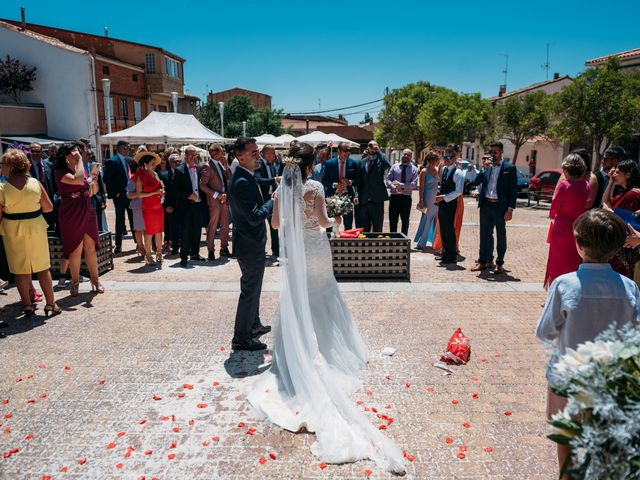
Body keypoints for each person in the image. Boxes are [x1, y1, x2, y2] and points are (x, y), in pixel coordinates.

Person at [247, 142, 405, 473]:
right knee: (324, 295)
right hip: (316, 252)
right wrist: (332, 212)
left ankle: (300, 349)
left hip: (294, 257)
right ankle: (332, 352)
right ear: (309, 165)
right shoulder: (315, 187)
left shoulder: (280, 189)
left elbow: (275, 226)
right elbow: (324, 222)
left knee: (301, 299)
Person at [536, 209, 640, 478]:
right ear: (617, 248)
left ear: (578, 244)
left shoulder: (563, 285)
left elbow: (545, 332)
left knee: (566, 436)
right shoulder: (630, 288)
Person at [0, 149, 59, 317]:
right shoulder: (34, 183)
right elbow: (48, 207)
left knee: (20, 270)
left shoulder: (1, 187)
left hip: (13, 229)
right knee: (42, 268)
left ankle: (27, 305)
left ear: (10, 167)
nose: (1, 167)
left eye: (2, 164)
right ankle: (51, 304)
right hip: (36, 227)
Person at [228, 137, 273, 351]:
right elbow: (255, 216)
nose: (259, 157)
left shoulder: (246, 175)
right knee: (249, 290)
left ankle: (253, 325)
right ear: (240, 156)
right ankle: (241, 338)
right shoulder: (241, 181)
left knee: (254, 288)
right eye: (254, 153)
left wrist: (276, 180)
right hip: (248, 244)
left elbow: (259, 183)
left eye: (258, 152)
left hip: (251, 242)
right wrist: (275, 200)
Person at [54, 143, 103, 296]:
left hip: (87, 209)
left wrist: (94, 182)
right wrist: (81, 160)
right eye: (74, 151)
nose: (78, 153)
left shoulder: (81, 170)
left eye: (78, 151)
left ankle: (95, 280)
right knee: (75, 248)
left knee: (90, 246)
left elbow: (93, 191)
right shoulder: (60, 171)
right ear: (66, 155)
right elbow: (77, 180)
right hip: (70, 211)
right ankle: (75, 282)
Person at [470, 142, 518, 273]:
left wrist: (510, 209)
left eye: (496, 151)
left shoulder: (510, 168)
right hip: (486, 204)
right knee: (484, 235)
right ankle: (482, 262)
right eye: (491, 152)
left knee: (500, 235)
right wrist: (484, 169)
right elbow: (476, 182)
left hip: (500, 207)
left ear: (501, 152)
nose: (493, 154)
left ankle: (499, 263)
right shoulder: (487, 167)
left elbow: (513, 191)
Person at [543, 154, 590, 288]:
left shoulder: (564, 185)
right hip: (578, 226)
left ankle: (556, 287)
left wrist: (553, 215)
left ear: (567, 170)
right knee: (573, 257)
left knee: (557, 258)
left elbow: (554, 208)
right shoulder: (585, 185)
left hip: (563, 224)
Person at [603, 159, 640, 278]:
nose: (613, 174)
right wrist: (610, 183)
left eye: (618, 172)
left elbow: (617, 216)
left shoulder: (633, 195)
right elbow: (605, 202)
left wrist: (609, 212)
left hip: (626, 248)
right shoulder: (624, 193)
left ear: (628, 174)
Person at [172, 146, 207, 267]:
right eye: (191, 154)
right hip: (185, 206)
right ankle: (184, 257)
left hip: (198, 205)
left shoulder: (200, 168)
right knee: (185, 232)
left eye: (195, 154)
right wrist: (187, 195)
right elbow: (174, 190)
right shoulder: (179, 170)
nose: (193, 157)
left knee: (197, 230)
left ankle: (195, 253)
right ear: (185, 155)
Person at [199, 144, 231, 260]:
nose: (224, 153)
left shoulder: (221, 164)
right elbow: (202, 185)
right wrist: (217, 195)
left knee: (225, 225)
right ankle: (211, 250)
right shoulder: (207, 166)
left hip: (224, 199)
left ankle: (224, 248)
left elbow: (229, 177)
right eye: (223, 151)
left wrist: (226, 165)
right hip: (214, 201)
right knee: (212, 226)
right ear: (217, 154)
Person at [133, 152, 165, 266]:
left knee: (159, 231)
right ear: (145, 164)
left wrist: (161, 191)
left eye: (154, 163)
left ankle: (159, 253)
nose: (154, 165)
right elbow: (139, 194)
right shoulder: (140, 177)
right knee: (149, 232)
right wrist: (154, 192)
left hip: (158, 205)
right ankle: (148, 255)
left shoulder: (156, 174)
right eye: (152, 163)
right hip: (148, 207)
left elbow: (160, 187)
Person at [435, 150, 465, 264]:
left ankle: (452, 255)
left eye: (449, 157)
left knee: (449, 229)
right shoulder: (444, 169)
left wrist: (443, 197)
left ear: (454, 159)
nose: (447, 159)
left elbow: (459, 191)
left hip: (451, 203)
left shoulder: (458, 172)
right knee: (442, 228)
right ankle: (445, 253)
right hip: (442, 202)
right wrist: (439, 197)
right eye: (445, 157)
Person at [103, 140, 134, 254]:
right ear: (119, 148)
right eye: (126, 148)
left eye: (129, 148)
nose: (128, 150)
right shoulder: (113, 161)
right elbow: (106, 179)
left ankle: (137, 242)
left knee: (133, 218)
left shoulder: (129, 160)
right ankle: (118, 245)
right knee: (120, 220)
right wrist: (116, 193)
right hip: (120, 196)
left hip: (130, 195)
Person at [322, 142, 359, 230]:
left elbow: (357, 181)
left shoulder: (353, 164)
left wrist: (349, 182)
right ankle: (331, 242)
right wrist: (335, 185)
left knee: (348, 224)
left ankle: (347, 242)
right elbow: (324, 180)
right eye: (345, 150)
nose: (348, 153)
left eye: (349, 150)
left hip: (347, 197)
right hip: (332, 197)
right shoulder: (329, 163)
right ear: (338, 151)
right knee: (330, 225)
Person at [357, 140, 390, 232]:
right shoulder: (361, 162)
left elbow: (387, 165)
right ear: (367, 148)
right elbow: (358, 181)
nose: (372, 148)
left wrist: (378, 151)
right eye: (370, 146)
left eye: (375, 146)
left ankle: (377, 246)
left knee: (378, 227)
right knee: (365, 228)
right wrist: (357, 196)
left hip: (377, 200)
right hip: (364, 200)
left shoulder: (380, 161)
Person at [255, 145, 280, 259]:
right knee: (260, 227)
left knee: (274, 225)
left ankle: (275, 250)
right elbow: (258, 180)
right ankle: (260, 251)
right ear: (266, 153)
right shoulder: (258, 164)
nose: (275, 155)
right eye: (273, 153)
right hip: (261, 199)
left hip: (271, 198)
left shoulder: (272, 165)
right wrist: (274, 179)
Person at [386, 149, 418, 235]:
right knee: (393, 219)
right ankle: (392, 239)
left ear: (411, 157)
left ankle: (404, 240)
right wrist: (392, 186)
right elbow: (388, 179)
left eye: (408, 155)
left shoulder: (414, 169)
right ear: (401, 155)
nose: (406, 156)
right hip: (394, 197)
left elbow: (414, 184)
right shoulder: (394, 167)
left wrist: (401, 185)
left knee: (405, 220)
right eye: (404, 154)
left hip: (406, 198)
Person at [28, 142, 57, 231]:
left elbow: (54, 185)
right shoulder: (26, 166)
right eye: (33, 151)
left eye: (37, 151)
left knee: (50, 231)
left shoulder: (49, 165)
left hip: (49, 205)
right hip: (34, 206)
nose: (35, 153)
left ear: (42, 152)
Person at [414, 151, 440, 250]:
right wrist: (421, 200)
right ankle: (421, 243)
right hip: (427, 197)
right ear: (433, 160)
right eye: (437, 159)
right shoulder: (424, 171)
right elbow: (421, 187)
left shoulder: (437, 170)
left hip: (436, 198)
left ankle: (434, 242)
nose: (438, 161)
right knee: (426, 218)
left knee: (435, 220)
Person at [126, 159, 146, 260]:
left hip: (149, 205)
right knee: (139, 229)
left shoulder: (150, 175)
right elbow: (129, 194)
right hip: (138, 206)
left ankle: (147, 247)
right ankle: (141, 247)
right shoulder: (133, 178)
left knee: (147, 229)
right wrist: (139, 194)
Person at [161, 153, 181, 255]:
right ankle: (175, 246)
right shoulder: (164, 175)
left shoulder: (185, 173)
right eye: (174, 161)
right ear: (170, 163)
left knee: (184, 226)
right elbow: (164, 193)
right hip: (171, 205)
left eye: (179, 161)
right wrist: (167, 205)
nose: (177, 163)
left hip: (184, 204)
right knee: (173, 226)